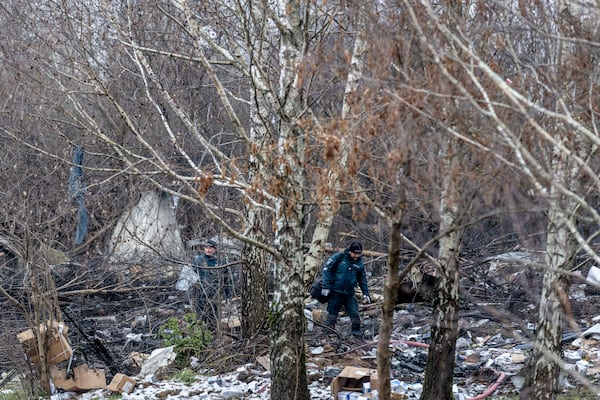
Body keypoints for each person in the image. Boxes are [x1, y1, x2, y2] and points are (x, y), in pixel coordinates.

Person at [321, 241, 371, 337]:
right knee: (332, 314)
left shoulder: (359, 264)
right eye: (354, 253)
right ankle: (328, 333)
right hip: (335, 292)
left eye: (358, 253)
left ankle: (356, 334)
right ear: (350, 251)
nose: (356, 255)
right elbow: (327, 270)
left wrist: (366, 293)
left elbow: (362, 279)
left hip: (349, 294)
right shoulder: (339, 257)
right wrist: (326, 286)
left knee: (354, 313)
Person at [191, 239, 231, 328]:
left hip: (215, 295)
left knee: (213, 318)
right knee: (201, 318)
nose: (208, 250)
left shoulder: (221, 261)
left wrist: (228, 295)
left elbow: (226, 280)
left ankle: (213, 336)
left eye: (211, 248)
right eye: (206, 248)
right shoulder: (198, 261)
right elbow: (190, 277)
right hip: (200, 295)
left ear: (215, 249)